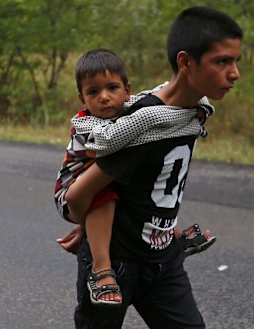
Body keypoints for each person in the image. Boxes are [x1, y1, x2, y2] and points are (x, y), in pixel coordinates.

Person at [64, 6, 242, 328]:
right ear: (186, 62)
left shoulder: (191, 113)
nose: (234, 73)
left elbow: (148, 183)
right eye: (222, 62)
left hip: (162, 260)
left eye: (235, 61)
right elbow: (81, 195)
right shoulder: (141, 126)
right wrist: (86, 227)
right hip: (116, 264)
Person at [54, 49, 216, 307]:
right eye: (93, 92)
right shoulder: (90, 125)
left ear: (126, 90)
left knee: (145, 181)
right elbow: (123, 133)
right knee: (105, 196)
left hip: (102, 188)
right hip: (71, 190)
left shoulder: (127, 110)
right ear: (82, 99)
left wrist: (189, 112)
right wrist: (173, 117)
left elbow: (153, 97)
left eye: (112, 88)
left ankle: (171, 235)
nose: (104, 97)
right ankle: (101, 269)